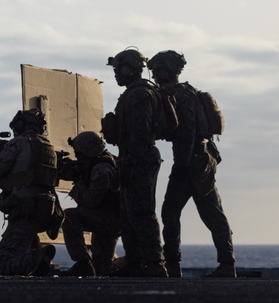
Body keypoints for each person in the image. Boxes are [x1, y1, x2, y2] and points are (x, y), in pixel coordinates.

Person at [149, 50, 235, 278]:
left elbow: (187, 131)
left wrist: (181, 165)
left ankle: (174, 265)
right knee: (211, 213)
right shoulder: (186, 93)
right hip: (200, 159)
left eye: (157, 70)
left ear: (166, 70)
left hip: (191, 162)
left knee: (176, 212)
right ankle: (226, 264)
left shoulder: (181, 96)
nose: (154, 75)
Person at [102, 48, 167, 277]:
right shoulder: (133, 93)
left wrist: (130, 161)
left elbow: (141, 131)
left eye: (119, 69)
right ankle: (135, 262)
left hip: (139, 157)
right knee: (128, 214)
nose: (116, 74)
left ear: (131, 68)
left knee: (141, 211)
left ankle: (155, 263)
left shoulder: (140, 94)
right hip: (131, 156)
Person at [0, 108, 61, 276]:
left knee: (4, 257)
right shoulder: (49, 147)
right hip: (45, 209)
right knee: (27, 243)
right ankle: (36, 257)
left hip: (24, 209)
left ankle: (35, 259)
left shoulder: (19, 143)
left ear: (21, 125)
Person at [57, 131, 121, 277]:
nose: (77, 157)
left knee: (70, 216)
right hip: (108, 218)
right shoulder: (99, 163)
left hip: (109, 220)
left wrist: (77, 186)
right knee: (101, 269)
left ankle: (82, 262)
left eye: (79, 154)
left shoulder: (102, 170)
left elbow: (92, 200)